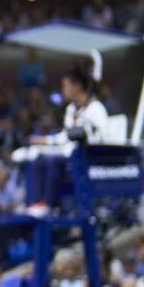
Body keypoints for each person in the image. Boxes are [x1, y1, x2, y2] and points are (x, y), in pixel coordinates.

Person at [24, 68, 110, 216]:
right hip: (70, 154)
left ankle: (48, 204)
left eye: (65, 86)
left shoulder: (96, 109)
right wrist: (44, 141)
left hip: (89, 157)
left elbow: (100, 137)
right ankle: (35, 203)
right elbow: (66, 135)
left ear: (76, 87)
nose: (63, 90)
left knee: (53, 162)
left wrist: (82, 136)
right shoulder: (71, 109)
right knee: (37, 161)